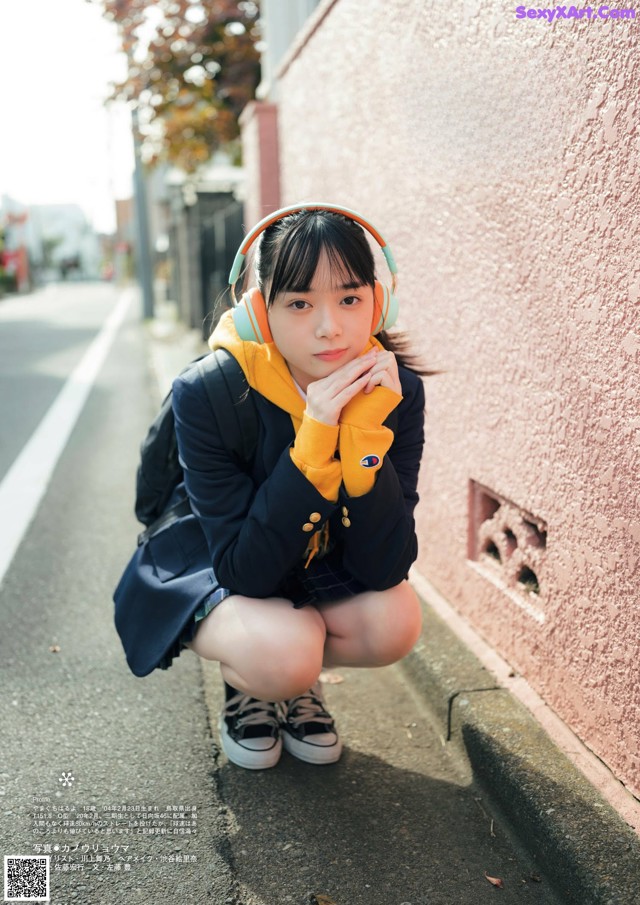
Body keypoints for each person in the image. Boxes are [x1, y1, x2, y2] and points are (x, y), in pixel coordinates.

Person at [171, 203, 426, 770]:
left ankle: (292, 665)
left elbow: (386, 566)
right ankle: (257, 679)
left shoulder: (393, 388)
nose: (329, 326)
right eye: (300, 303)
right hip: (216, 558)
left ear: (378, 304)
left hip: (308, 562)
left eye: (350, 298)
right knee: (281, 651)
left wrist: (361, 439)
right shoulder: (207, 391)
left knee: (395, 622)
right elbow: (243, 568)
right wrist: (315, 440)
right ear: (261, 313)